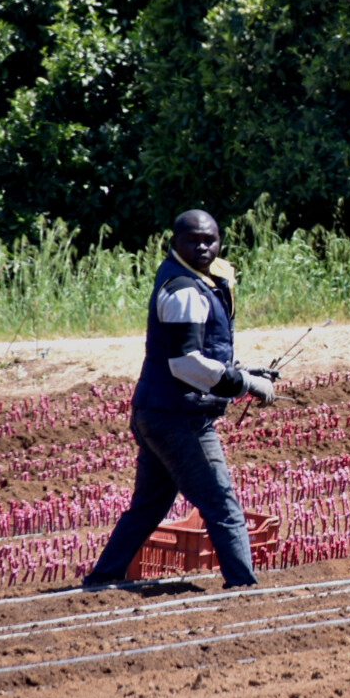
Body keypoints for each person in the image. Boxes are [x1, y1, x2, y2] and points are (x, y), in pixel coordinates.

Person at [84, 210, 274, 588]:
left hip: (157, 412)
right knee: (221, 503)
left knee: (149, 506)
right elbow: (185, 364)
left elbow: (200, 353)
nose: (203, 246)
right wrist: (244, 384)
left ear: (220, 241)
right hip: (178, 417)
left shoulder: (196, 282)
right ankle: (244, 586)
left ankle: (102, 579)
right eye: (193, 239)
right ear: (175, 243)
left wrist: (244, 369)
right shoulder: (185, 290)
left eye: (210, 239)